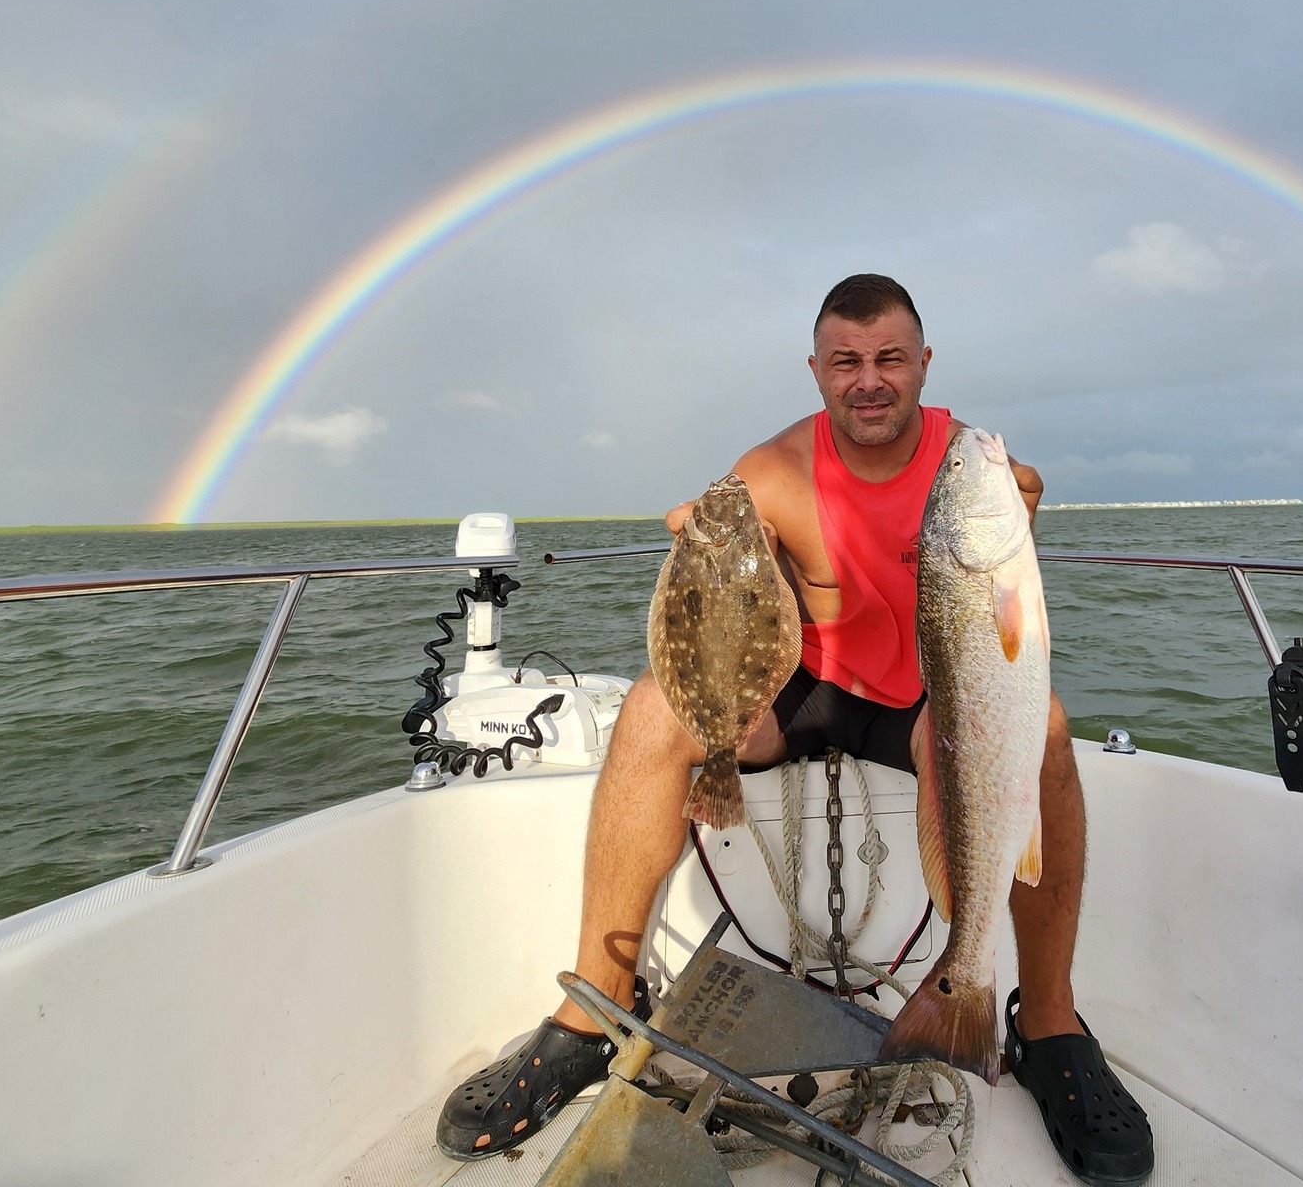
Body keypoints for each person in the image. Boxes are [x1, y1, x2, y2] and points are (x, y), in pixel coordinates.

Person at [438, 274, 1155, 1186]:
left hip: (927, 704)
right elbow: (715, 599)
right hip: (808, 691)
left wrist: (1027, 503)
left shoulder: (975, 469)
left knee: (1044, 730)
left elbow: (1003, 624)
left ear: (923, 364)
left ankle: (1048, 1022)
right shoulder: (772, 471)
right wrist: (695, 532)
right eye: (846, 361)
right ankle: (593, 1015)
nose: (869, 380)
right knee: (655, 709)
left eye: (890, 358)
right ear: (815, 370)